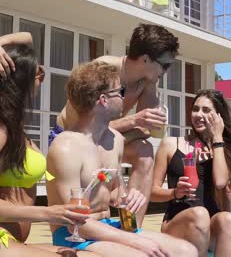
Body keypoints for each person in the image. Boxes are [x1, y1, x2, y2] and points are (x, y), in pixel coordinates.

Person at [0, 24, 179, 226]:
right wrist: (133, 121)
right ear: (146, 59)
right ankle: (74, 235)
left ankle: (131, 227)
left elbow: (146, 130)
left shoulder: (148, 80)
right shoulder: (104, 70)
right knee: (77, 213)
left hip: (104, 135)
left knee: (145, 152)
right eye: (165, 65)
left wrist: (147, 119)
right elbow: (84, 125)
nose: (167, 71)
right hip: (70, 136)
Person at [0, 40, 97, 257]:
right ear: (21, 80)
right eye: (38, 73)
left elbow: (27, 38)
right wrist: (47, 213)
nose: (42, 78)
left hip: (12, 241)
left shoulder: (12, 123)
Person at [46, 60, 197, 257]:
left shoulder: (115, 140)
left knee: (187, 251)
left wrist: (128, 197)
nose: (124, 98)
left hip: (109, 225)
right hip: (74, 234)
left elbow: (113, 190)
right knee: (142, 254)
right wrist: (134, 241)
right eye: (120, 92)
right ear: (103, 100)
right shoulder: (66, 147)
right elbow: (74, 222)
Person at [151, 89, 231, 256]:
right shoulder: (170, 144)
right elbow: (152, 192)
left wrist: (217, 139)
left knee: (227, 219)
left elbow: (221, 183)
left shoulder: (223, 150)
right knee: (200, 213)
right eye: (195, 109)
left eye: (206, 110)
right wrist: (174, 192)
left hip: (210, 223)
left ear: (219, 117)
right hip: (176, 221)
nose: (198, 114)